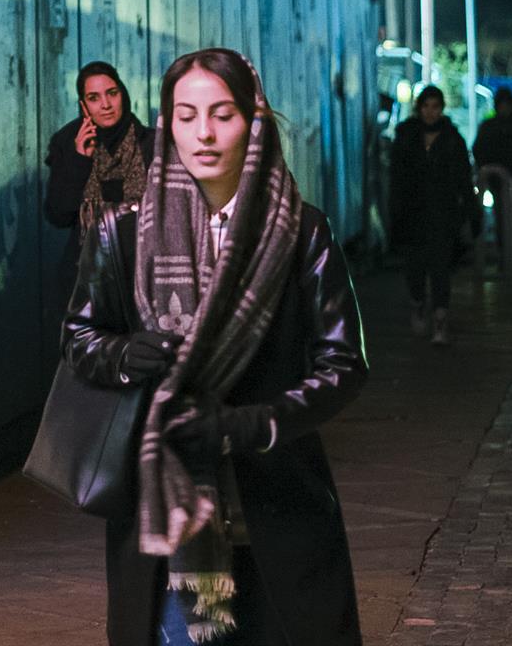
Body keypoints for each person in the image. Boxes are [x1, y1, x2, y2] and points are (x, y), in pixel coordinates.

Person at [63, 48, 367, 646]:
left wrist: (249, 424)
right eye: (185, 115)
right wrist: (125, 356)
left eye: (222, 114)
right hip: (164, 515)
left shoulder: (301, 230)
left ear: (254, 121)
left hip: (276, 499)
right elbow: (79, 337)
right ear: (166, 121)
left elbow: (343, 364)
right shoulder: (122, 231)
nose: (202, 133)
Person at [44, 61, 154, 308]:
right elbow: (58, 216)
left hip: (144, 274)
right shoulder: (67, 143)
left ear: (123, 95)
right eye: (94, 98)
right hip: (86, 279)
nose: (106, 105)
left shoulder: (151, 144)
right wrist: (79, 160)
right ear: (83, 105)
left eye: (112, 94)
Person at [391, 85, 478, 346]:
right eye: (426, 106)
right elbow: (396, 178)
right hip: (413, 214)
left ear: (441, 109)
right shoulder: (406, 136)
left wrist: (470, 213)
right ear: (419, 108)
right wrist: (395, 213)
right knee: (415, 269)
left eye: (435, 107)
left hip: (443, 214)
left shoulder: (453, 139)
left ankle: (440, 320)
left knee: (440, 270)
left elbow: (464, 178)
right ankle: (418, 303)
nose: (430, 112)